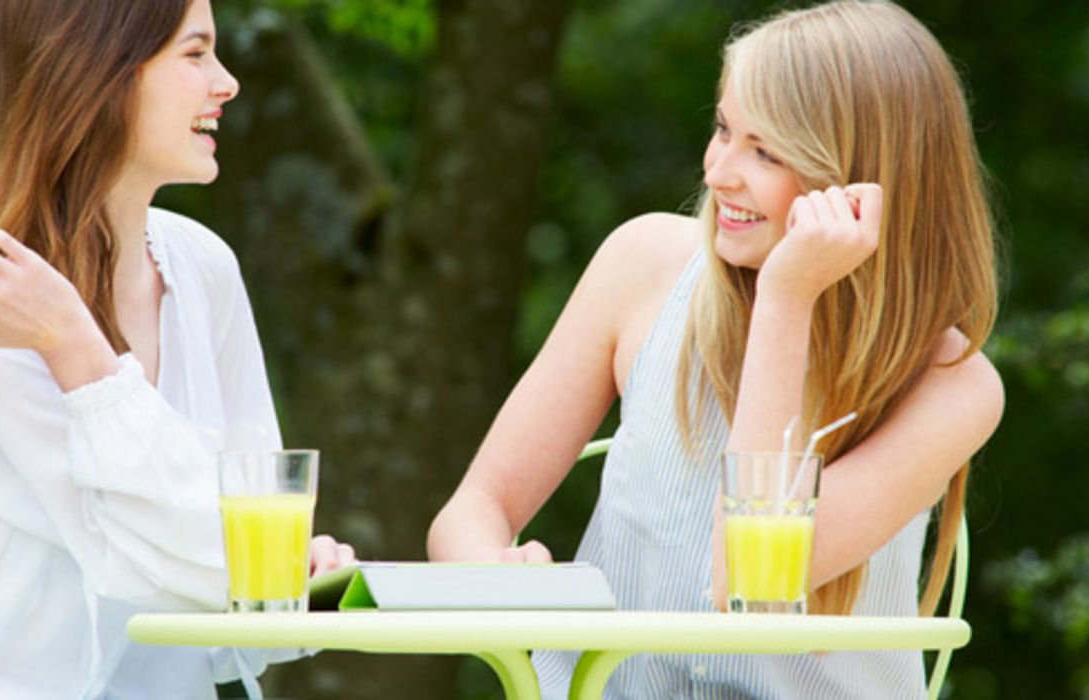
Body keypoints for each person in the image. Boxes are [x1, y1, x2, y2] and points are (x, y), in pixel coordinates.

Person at [427, 1, 1003, 697]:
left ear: (858, 179)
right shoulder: (641, 264)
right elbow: (470, 510)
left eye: (765, 151)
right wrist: (494, 573)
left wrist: (786, 299)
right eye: (723, 129)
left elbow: (754, 584)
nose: (719, 172)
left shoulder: (951, 383)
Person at [0, 0, 355, 697]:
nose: (226, 82)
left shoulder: (202, 264)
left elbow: (254, 565)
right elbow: (154, 559)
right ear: (95, 73)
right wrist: (74, 346)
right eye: (194, 53)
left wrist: (292, 565)